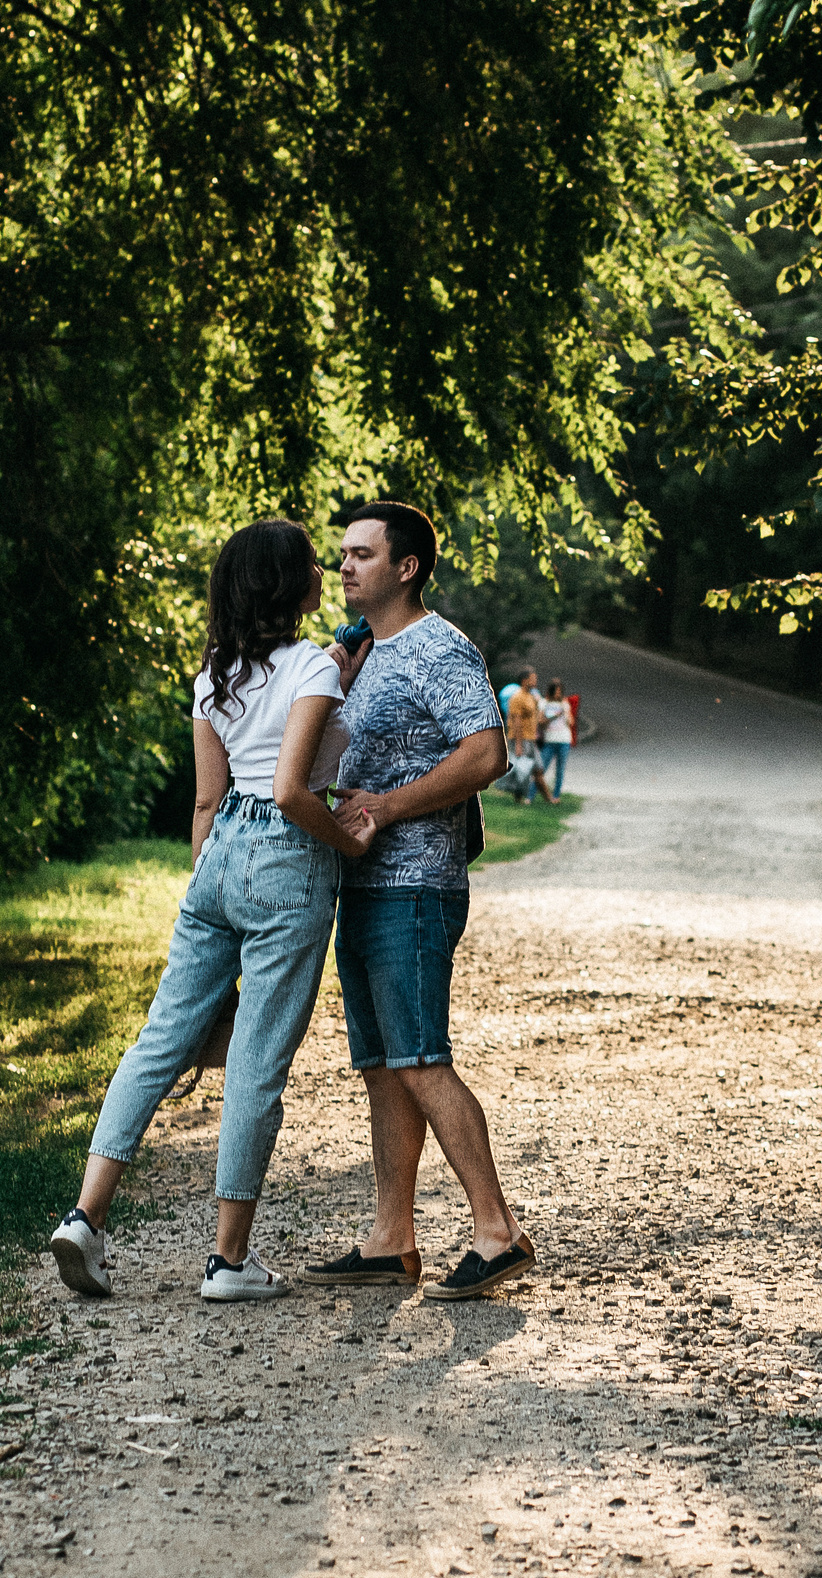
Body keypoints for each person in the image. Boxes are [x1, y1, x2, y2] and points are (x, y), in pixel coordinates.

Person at [49, 519, 374, 1303]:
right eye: (312, 567)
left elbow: (206, 798)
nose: (325, 575)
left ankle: (85, 1216)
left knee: (160, 1038)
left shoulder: (216, 674)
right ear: (293, 587)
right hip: (289, 859)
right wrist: (352, 842)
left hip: (219, 854)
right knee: (257, 1058)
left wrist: (212, 889)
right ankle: (229, 1261)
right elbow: (295, 790)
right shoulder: (312, 672)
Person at [297, 500, 537, 1301]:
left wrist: (389, 806)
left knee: (422, 1059)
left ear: (406, 567)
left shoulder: (441, 648)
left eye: (362, 554)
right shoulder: (363, 654)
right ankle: (391, 1238)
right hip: (361, 885)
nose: (345, 566)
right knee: (382, 1067)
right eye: (341, 555)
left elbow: (487, 753)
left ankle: (497, 1231)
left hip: (417, 886)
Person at [501, 679, 544, 804]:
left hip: (530, 738)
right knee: (522, 770)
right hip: (521, 738)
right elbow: (516, 722)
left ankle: (545, 798)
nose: (535, 680)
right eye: (533, 678)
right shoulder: (517, 698)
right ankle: (519, 798)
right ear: (525, 680)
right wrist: (518, 744)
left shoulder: (530, 696)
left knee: (537, 769)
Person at [538, 677, 574, 802]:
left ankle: (556, 795)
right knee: (541, 768)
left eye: (560, 691)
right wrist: (554, 716)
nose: (558, 693)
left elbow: (571, 722)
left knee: (560, 769)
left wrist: (566, 712)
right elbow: (541, 721)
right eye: (556, 691)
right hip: (549, 739)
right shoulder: (544, 703)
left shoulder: (564, 704)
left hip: (564, 739)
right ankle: (532, 794)